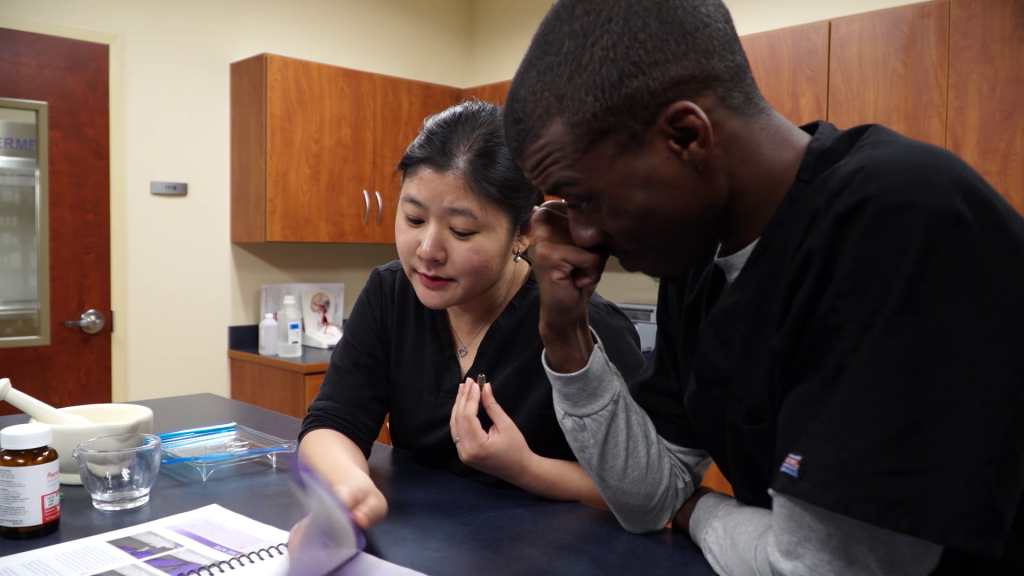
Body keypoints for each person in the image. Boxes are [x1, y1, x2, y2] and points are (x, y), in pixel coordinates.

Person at [503, 0, 1024, 574]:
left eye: (583, 199)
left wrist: (696, 509)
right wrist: (565, 331)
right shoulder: (698, 257)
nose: (580, 234)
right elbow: (649, 497)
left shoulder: (901, 221)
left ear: (686, 136)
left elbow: (823, 569)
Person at [294, 101, 646, 534]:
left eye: (461, 231)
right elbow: (332, 421)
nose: (427, 250)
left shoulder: (586, 328)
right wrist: (352, 487)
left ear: (523, 233)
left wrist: (525, 467)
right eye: (413, 218)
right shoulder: (391, 294)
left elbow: (652, 497)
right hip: (421, 545)